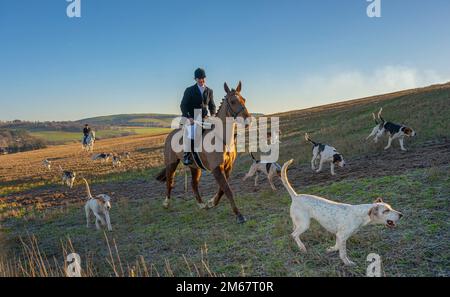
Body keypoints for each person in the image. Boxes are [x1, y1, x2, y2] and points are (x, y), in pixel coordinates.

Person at [180, 68, 216, 165]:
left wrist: (212, 115)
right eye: (199, 78)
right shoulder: (189, 90)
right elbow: (183, 105)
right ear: (195, 79)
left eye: (203, 78)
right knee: (191, 132)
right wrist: (188, 117)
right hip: (191, 116)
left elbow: (212, 105)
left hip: (204, 117)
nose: (201, 80)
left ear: (205, 78)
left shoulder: (209, 91)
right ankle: (187, 155)